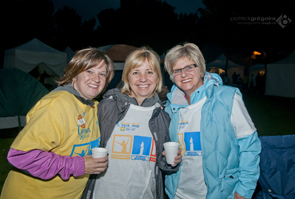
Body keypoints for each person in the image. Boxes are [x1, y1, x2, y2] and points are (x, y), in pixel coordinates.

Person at [1, 48, 114, 199]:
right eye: (89, 71)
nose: (97, 78)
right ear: (74, 74)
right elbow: (22, 156)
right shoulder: (56, 105)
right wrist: (79, 165)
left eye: (102, 74)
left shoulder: (92, 107)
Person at [163, 43, 261, 199]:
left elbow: (249, 145)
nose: (184, 74)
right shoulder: (170, 109)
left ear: (201, 69)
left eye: (189, 67)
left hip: (220, 194)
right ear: (172, 76)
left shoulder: (227, 98)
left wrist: (244, 189)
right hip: (178, 193)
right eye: (177, 70)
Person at [84, 47, 181, 199]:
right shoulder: (107, 107)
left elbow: (163, 164)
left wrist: (172, 161)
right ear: (127, 77)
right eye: (136, 72)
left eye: (149, 72)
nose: (143, 78)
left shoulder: (163, 116)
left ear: (158, 77)